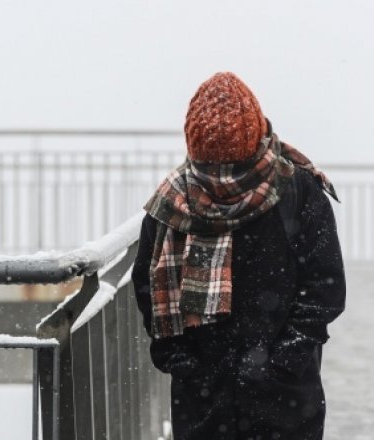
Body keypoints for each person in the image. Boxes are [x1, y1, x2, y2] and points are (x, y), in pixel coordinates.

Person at [132, 72, 345, 440]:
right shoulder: (172, 202)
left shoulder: (298, 191)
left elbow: (325, 286)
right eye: (211, 169)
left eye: (233, 168)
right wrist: (182, 361)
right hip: (203, 398)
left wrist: (285, 358)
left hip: (284, 397)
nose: (221, 180)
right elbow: (148, 287)